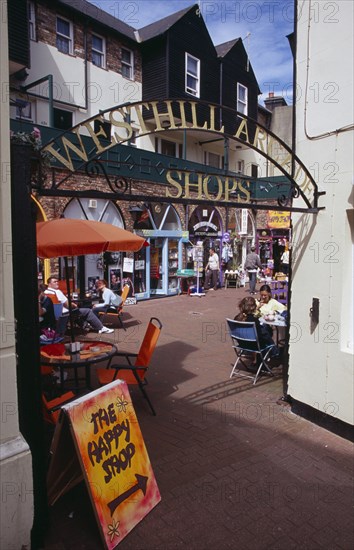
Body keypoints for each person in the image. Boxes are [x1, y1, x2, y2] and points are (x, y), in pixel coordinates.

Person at [45, 276, 114, 334]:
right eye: (54, 282)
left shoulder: (46, 292)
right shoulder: (57, 292)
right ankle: (101, 328)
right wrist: (74, 305)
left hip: (53, 316)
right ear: (49, 284)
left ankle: (85, 325)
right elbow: (68, 305)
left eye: (57, 281)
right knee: (87, 311)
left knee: (79, 311)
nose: (57, 283)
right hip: (64, 315)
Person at [234, 296, 278, 368]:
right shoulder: (253, 320)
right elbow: (259, 337)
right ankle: (274, 354)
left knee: (265, 333)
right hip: (254, 346)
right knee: (266, 334)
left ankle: (273, 353)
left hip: (242, 344)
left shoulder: (237, 318)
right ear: (254, 307)